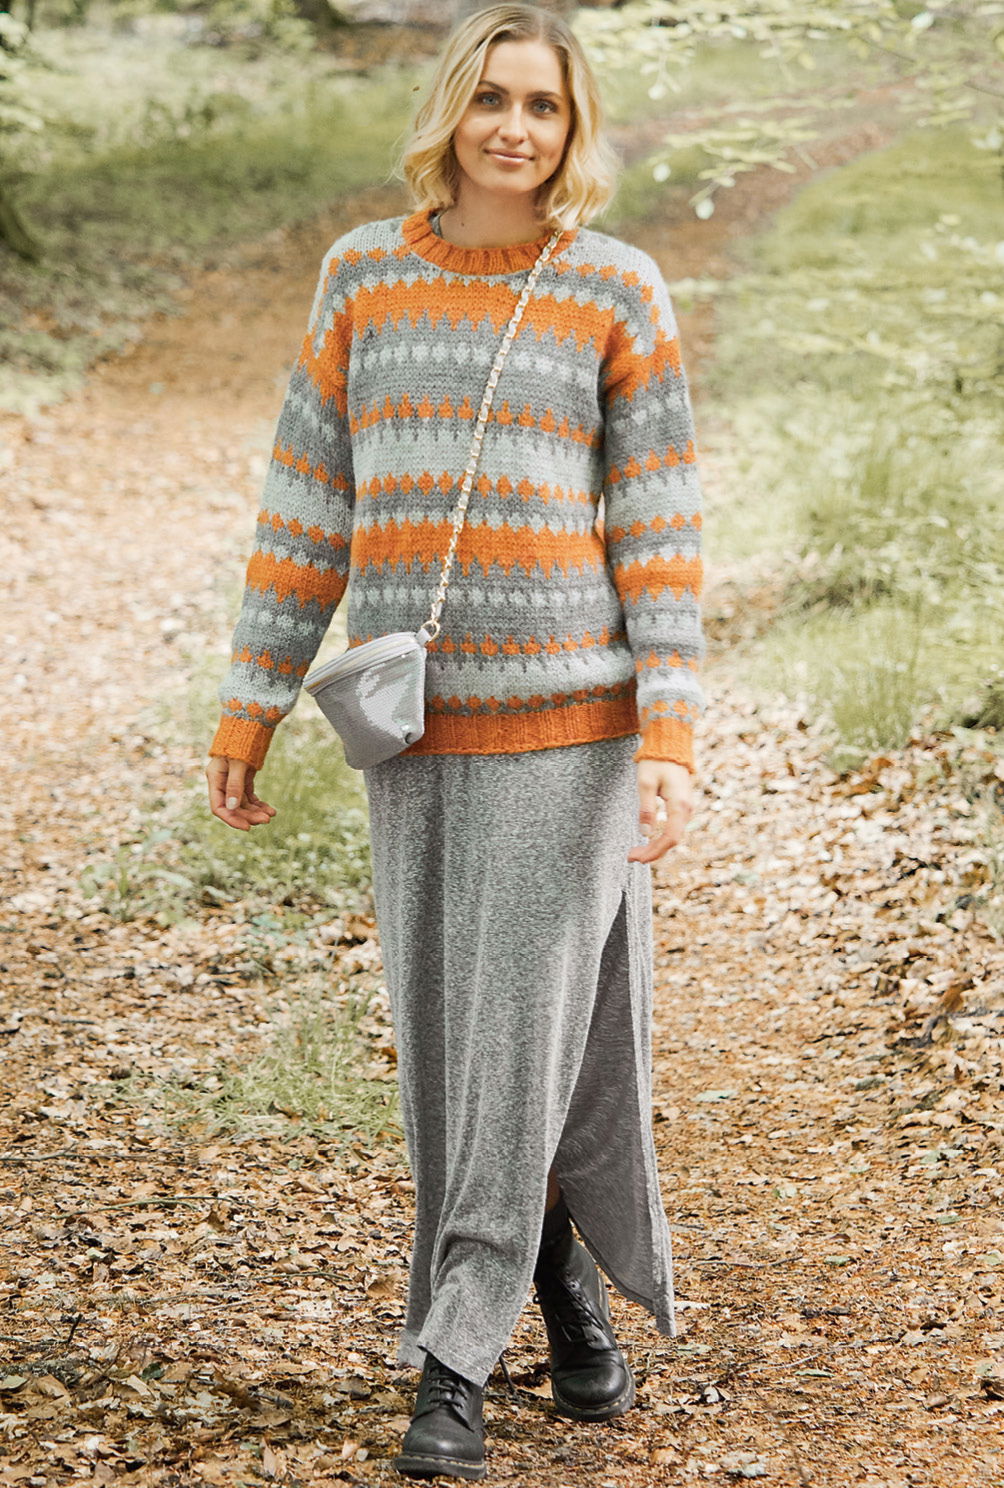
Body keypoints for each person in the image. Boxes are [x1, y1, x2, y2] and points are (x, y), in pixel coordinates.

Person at [205, 4, 705, 1479]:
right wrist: (250, 700)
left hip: (572, 732)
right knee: (451, 1043)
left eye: (543, 105)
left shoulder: (615, 286)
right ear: (450, 111)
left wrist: (669, 731)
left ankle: (454, 1354)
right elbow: (308, 502)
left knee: (527, 1031)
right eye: (492, 99)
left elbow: (659, 524)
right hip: (413, 734)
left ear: (574, 126)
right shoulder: (363, 274)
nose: (515, 128)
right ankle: (559, 1284)